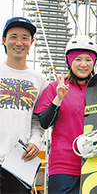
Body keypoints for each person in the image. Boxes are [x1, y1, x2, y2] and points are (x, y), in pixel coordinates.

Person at [34, 35, 97, 193]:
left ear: (94, 62)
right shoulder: (55, 87)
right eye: (77, 59)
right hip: (64, 166)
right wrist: (59, 98)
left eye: (88, 59)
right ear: (69, 61)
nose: (83, 64)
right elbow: (44, 122)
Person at [0, 17, 47, 194]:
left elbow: (38, 120)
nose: (19, 42)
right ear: (3, 40)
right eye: (13, 36)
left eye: (25, 37)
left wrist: (35, 141)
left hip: (19, 162)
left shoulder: (39, 80)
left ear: (31, 42)